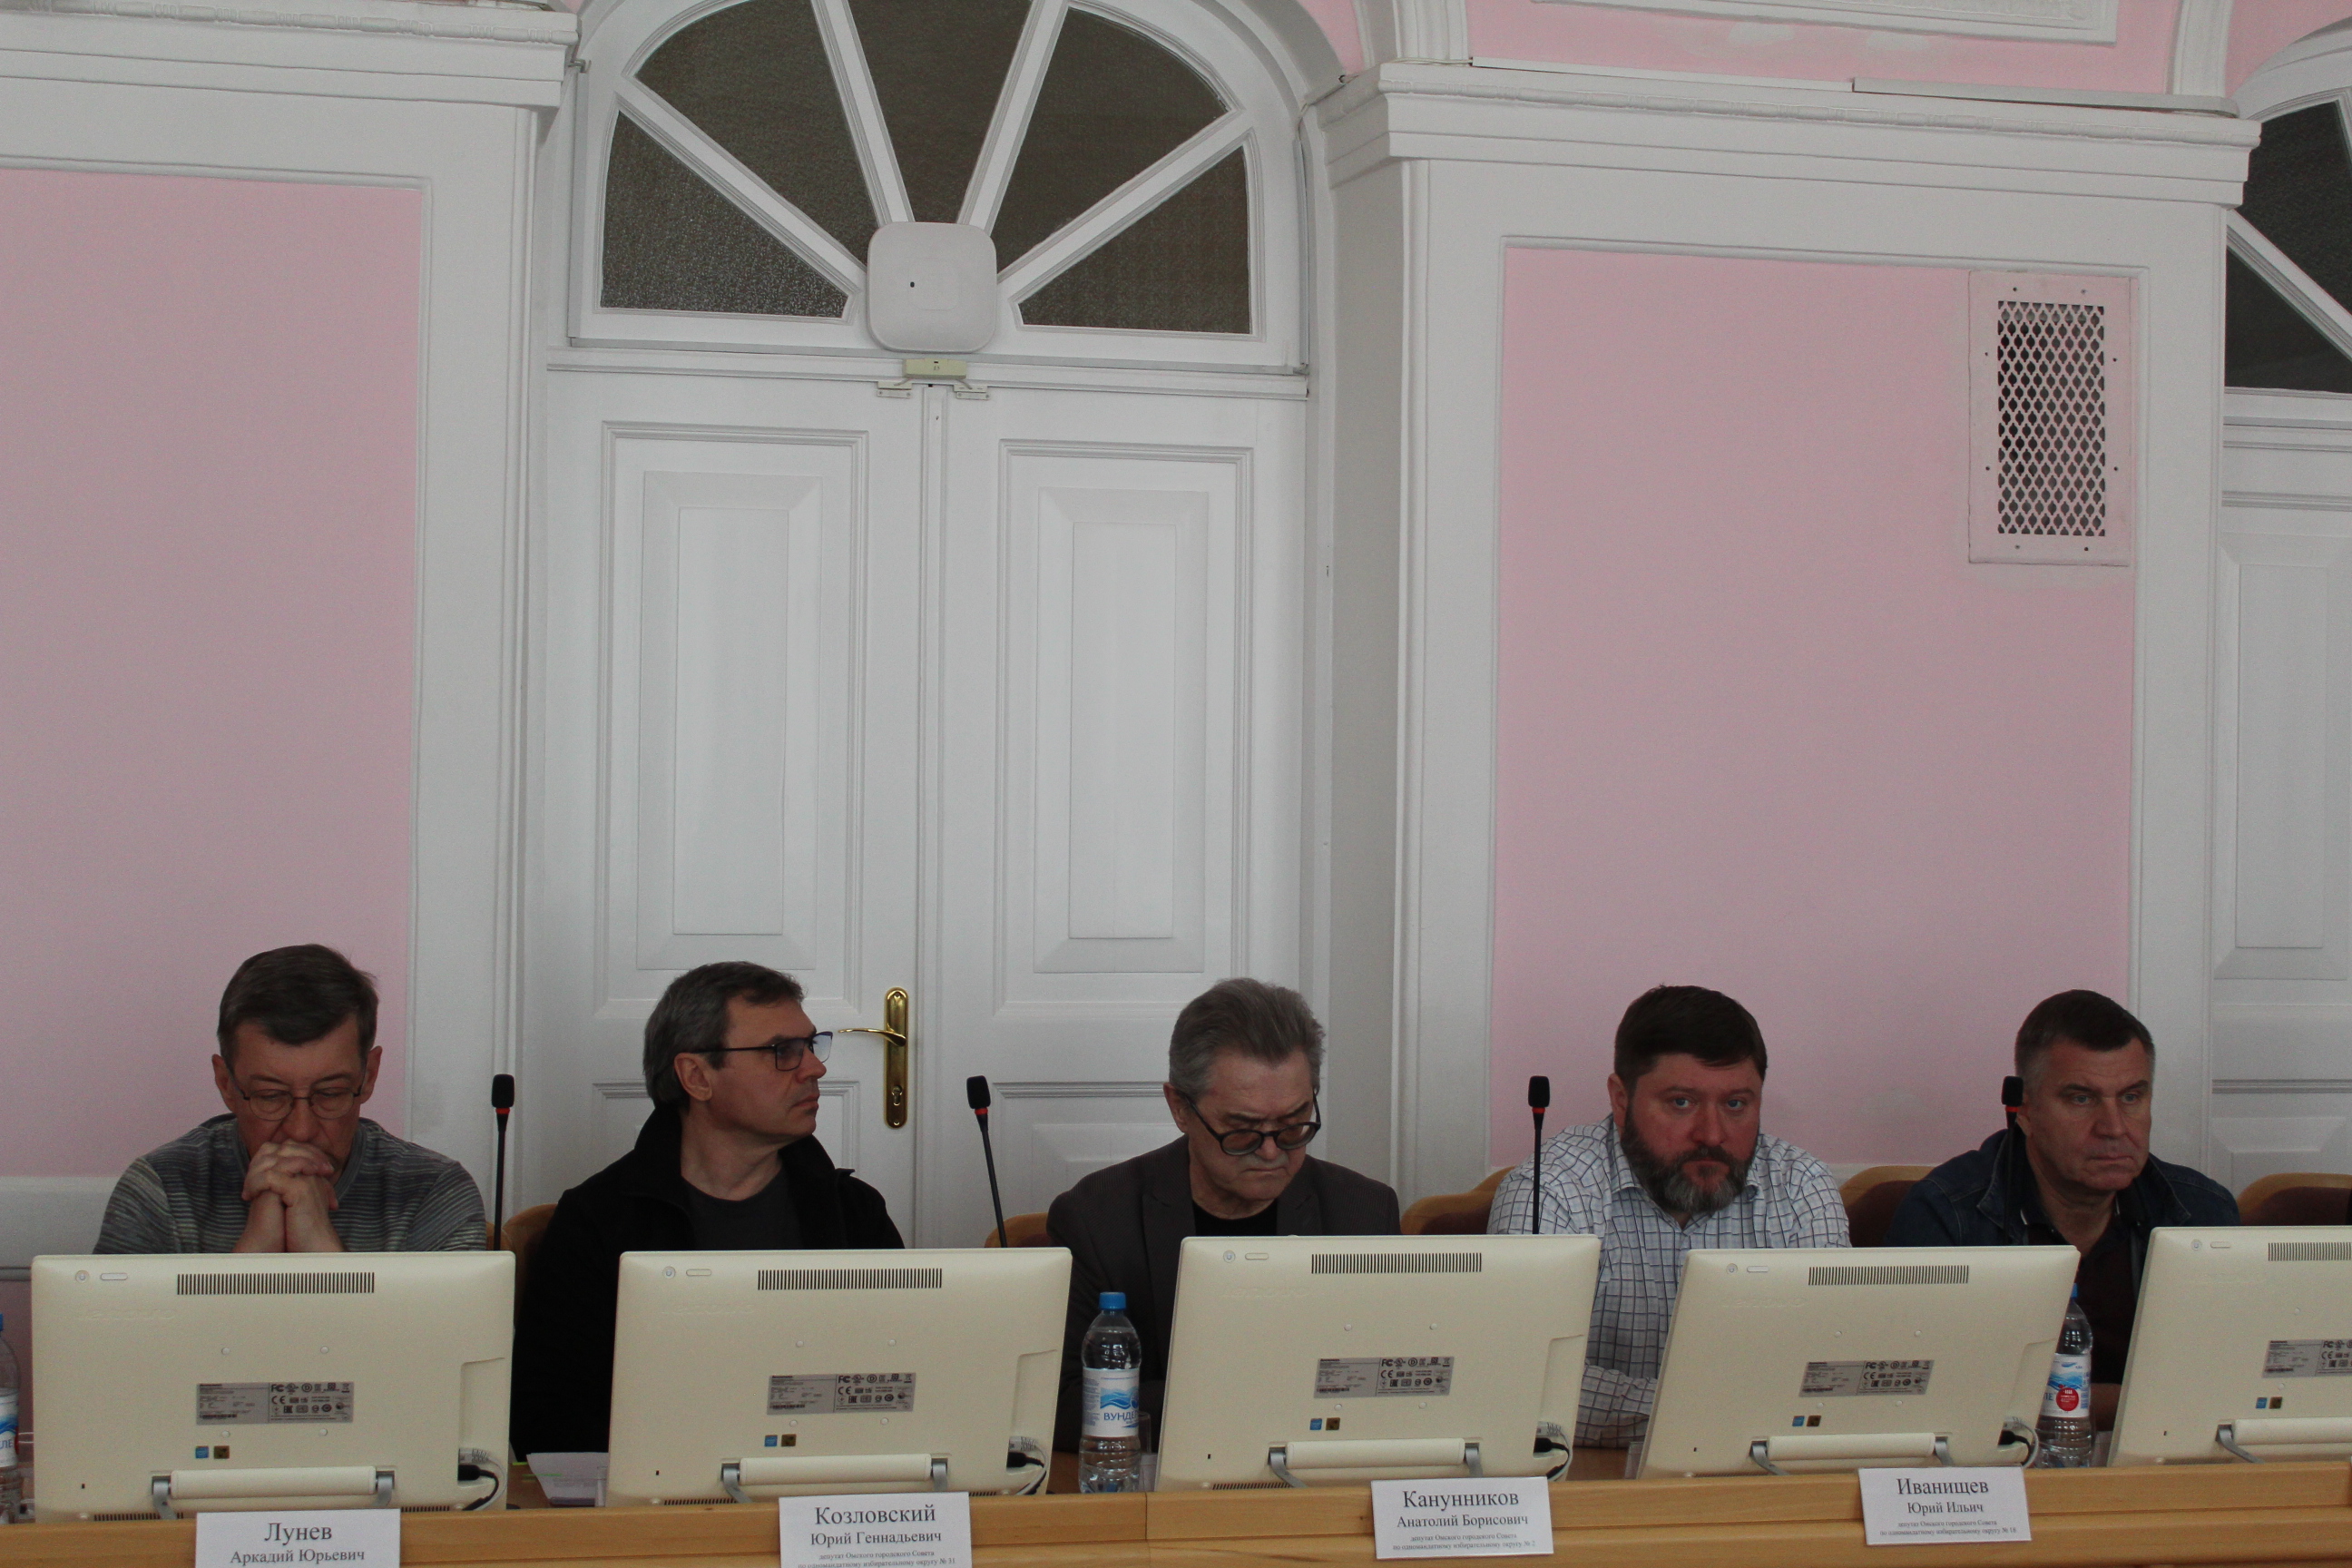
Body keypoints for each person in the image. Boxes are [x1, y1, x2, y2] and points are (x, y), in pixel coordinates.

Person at [510, 961, 901, 1456]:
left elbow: (902, 1376)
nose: (815, 1068)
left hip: (822, 1481)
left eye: (810, 1045)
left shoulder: (854, 1211)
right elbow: (546, 1419)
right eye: (783, 1051)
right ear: (696, 1076)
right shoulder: (598, 1220)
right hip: (658, 1490)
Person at [1045, 978, 1400, 1450]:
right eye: (1243, 1130)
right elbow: (1062, 1403)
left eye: (1294, 1123)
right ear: (1180, 1108)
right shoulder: (1096, 1217)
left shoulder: (1364, 1213)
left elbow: (1392, 1387)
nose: (1271, 1151)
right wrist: (1251, 1398)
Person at [1488, 985, 1847, 1448]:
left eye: (1736, 1104)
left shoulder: (1800, 1186)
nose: (1712, 1134)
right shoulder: (1550, 1189)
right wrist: (1710, 1416)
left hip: (1764, 1469)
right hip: (1591, 1475)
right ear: (1621, 1099)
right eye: (1681, 1102)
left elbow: (1832, 1364)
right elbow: (1523, 1376)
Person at [1885, 990, 2236, 1428]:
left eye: (2131, 1097)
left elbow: (2228, 1385)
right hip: (2003, 1460)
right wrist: (2141, 1403)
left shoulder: (2200, 1211)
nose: (2113, 1128)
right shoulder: (1947, 1214)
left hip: (2163, 1456)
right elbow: (1923, 1399)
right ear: (2025, 1111)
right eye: (2081, 1099)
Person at [94, 945, 485, 1254]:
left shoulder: (433, 1191)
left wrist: (319, 1246)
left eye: (329, 1094)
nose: (301, 1130)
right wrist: (256, 1249)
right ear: (226, 1084)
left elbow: (446, 1336)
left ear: (369, 1075)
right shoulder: (162, 1189)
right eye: (270, 1097)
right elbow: (116, 1335)